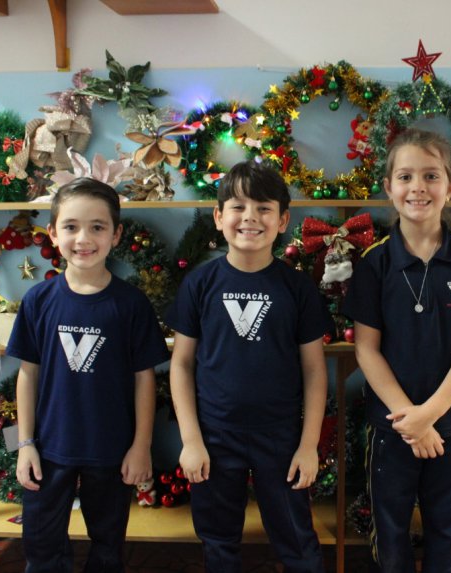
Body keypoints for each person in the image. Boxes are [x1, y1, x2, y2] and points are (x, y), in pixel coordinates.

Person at [343, 129, 451, 573]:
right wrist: (409, 420)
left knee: (447, 528)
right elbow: (367, 351)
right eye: (405, 176)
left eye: (431, 176)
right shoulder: (375, 263)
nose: (418, 187)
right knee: (389, 527)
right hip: (391, 426)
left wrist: (429, 415)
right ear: (389, 187)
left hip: (450, 425)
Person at [167, 160, 328, 573]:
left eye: (263, 208)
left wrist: (308, 446)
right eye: (238, 207)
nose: (250, 218)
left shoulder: (297, 288)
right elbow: (181, 365)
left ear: (283, 220)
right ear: (219, 217)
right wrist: (191, 440)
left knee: (297, 540)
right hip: (214, 436)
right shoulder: (199, 284)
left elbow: (314, 370)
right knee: (218, 541)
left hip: (281, 437)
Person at [7, 177, 170, 573]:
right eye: (71, 226)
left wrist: (141, 446)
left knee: (108, 547)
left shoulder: (131, 304)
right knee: (41, 546)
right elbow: (27, 375)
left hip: (111, 450)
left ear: (115, 235)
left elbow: (144, 379)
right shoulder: (38, 301)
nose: (83, 238)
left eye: (97, 227)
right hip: (48, 449)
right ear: (53, 233)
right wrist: (24, 443)